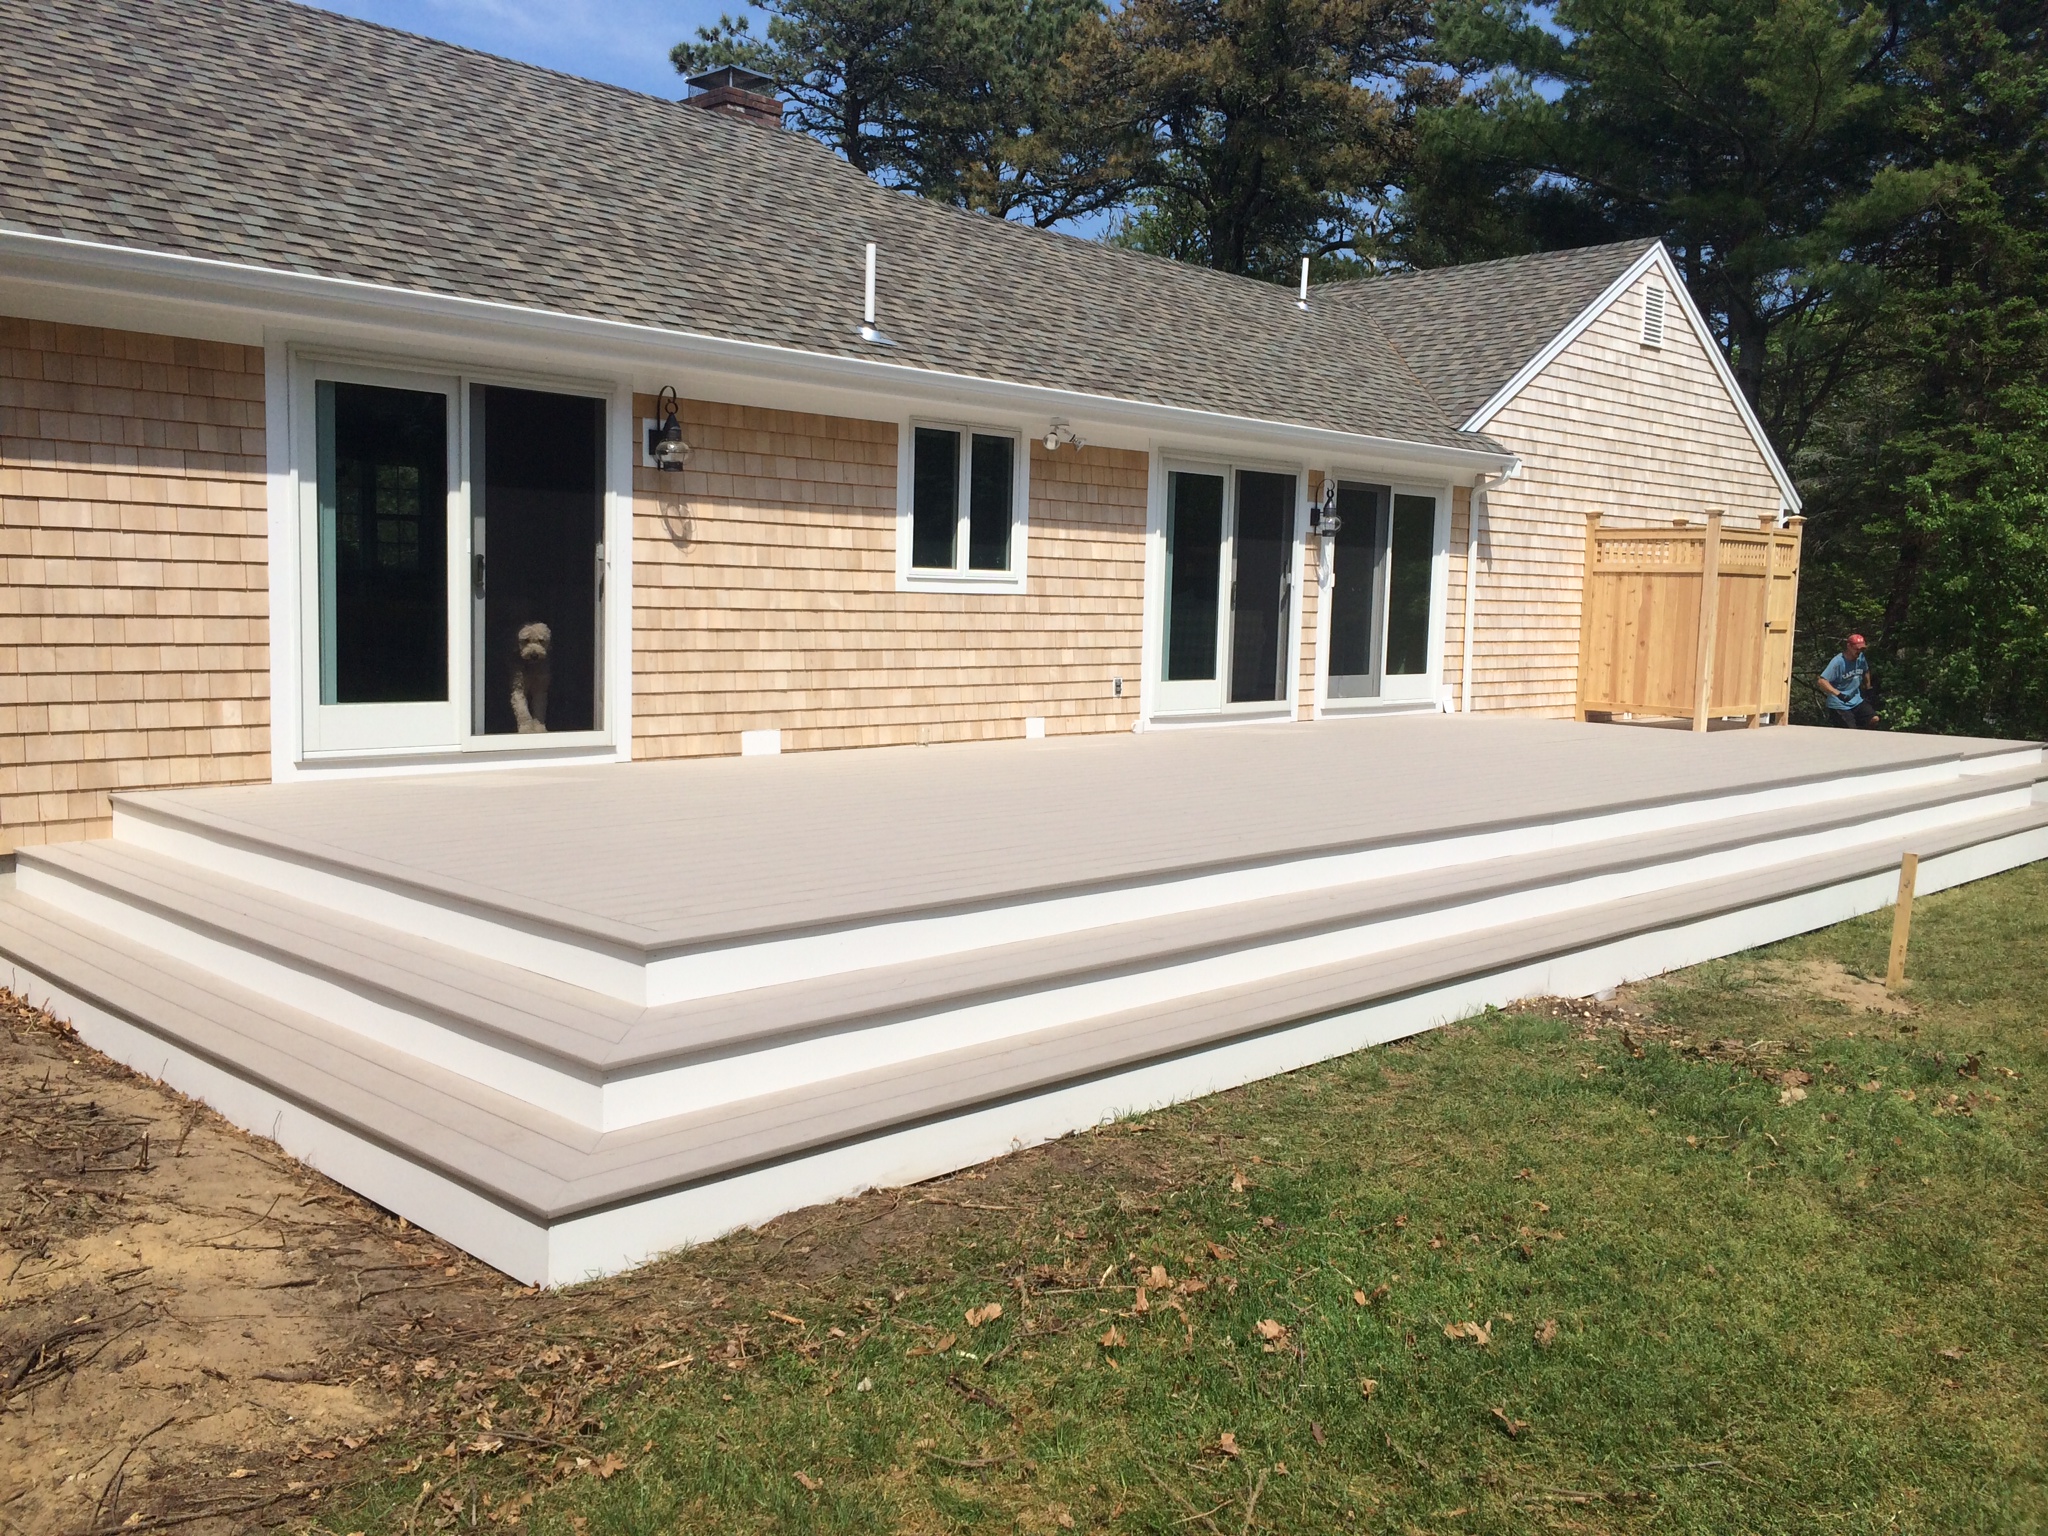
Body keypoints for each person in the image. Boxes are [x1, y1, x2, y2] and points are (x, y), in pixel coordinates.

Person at [1818, 633, 1880, 728]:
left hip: (1856, 701)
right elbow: (1822, 681)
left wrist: (1868, 687)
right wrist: (1838, 694)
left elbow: (1866, 670)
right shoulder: (1838, 662)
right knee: (1850, 731)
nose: (1859, 651)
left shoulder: (1861, 658)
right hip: (1839, 705)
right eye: (1857, 648)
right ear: (1849, 646)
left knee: (1874, 719)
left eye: (1862, 649)